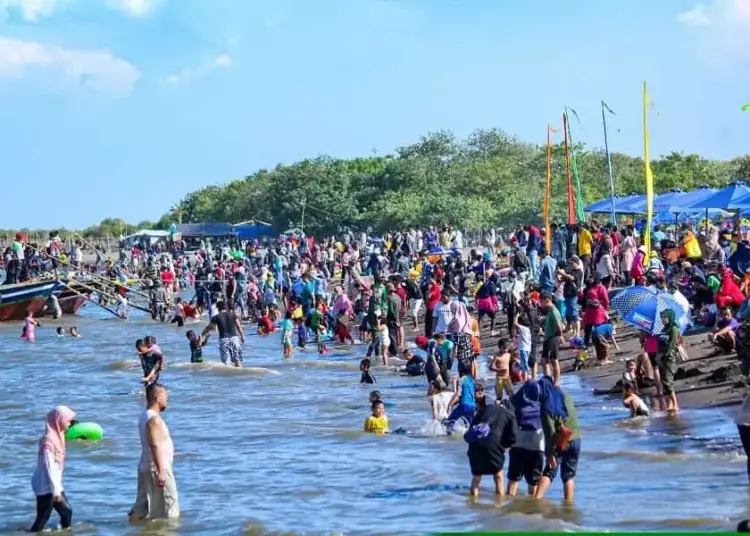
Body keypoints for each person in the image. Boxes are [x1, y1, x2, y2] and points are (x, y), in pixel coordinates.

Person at [129, 383, 180, 520]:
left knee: (140, 509)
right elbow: (154, 445)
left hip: (146, 466)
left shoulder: (144, 416)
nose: (167, 400)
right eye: (165, 396)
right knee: (170, 510)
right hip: (156, 469)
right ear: (157, 397)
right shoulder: (153, 419)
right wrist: (161, 471)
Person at [464, 383, 517, 496]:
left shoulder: (478, 415)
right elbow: (513, 434)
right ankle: (499, 506)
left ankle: (473, 505)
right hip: (494, 447)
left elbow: (469, 433)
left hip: (474, 448)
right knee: (498, 476)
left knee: (476, 478)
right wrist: (506, 444)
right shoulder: (504, 412)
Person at [30, 406, 76, 532]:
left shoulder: (57, 436)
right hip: (46, 485)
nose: (69, 424)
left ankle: (64, 531)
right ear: (58, 421)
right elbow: (49, 466)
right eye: (67, 421)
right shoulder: (49, 441)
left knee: (66, 512)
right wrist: (55, 490)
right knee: (44, 517)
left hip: (52, 483)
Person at [535, 377, 581, 502]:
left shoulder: (546, 404)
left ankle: (536, 502)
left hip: (560, 441)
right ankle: (568, 506)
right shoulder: (566, 395)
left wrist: (550, 454)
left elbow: (550, 433)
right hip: (576, 437)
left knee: (549, 472)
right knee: (568, 476)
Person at [507, 381, 545, 497]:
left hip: (519, 442)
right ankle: (532, 507)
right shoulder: (542, 402)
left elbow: (509, 420)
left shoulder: (516, 401)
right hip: (536, 443)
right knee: (533, 480)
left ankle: (508, 504)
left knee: (514, 478)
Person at [201, 301, 245, 368]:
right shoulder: (233, 315)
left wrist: (203, 335)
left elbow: (210, 327)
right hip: (235, 338)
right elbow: (238, 326)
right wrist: (242, 336)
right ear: (226, 307)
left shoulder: (216, 317)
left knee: (226, 363)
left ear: (217, 308)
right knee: (237, 360)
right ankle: (240, 376)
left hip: (224, 340)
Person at [659, 309, 681, 414]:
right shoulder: (663, 329)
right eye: (662, 317)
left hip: (669, 358)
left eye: (665, 317)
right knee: (663, 381)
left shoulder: (673, 328)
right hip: (660, 358)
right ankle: (669, 404)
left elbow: (671, 344)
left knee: (668, 381)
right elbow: (660, 343)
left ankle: (675, 403)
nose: (663, 319)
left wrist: (664, 355)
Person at [540, 294, 563, 385]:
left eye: (541, 302)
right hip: (548, 337)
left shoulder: (553, 311)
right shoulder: (549, 311)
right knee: (544, 360)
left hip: (553, 337)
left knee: (553, 360)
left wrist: (560, 336)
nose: (540, 304)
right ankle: (548, 380)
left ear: (547, 300)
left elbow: (559, 326)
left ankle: (556, 382)